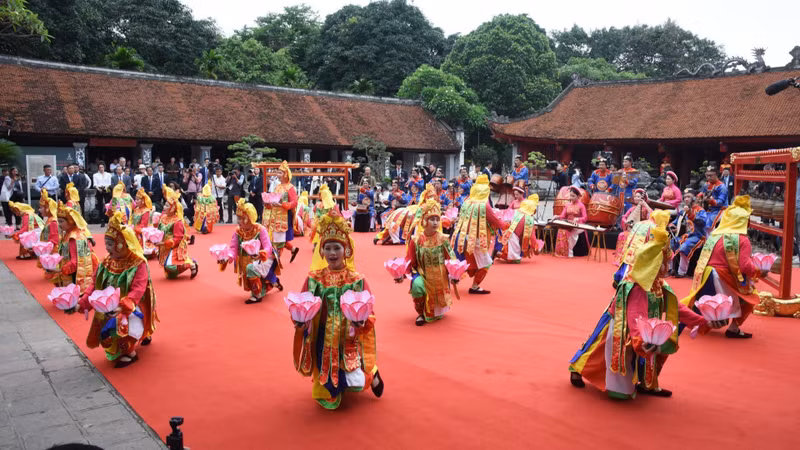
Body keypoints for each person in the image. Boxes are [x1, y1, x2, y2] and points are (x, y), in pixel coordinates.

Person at [569, 217, 725, 399]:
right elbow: (636, 315)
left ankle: (647, 382)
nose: (667, 266)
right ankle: (577, 368)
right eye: (664, 263)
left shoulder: (657, 283)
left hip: (643, 329)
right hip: (625, 325)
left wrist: (703, 321)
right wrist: (639, 339)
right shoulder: (637, 287)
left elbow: (676, 307)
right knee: (598, 350)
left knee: (647, 352)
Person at [292, 210, 384, 410]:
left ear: (346, 250)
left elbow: (370, 311)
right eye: (328, 248)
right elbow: (301, 305)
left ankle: (372, 373)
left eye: (337, 248)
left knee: (356, 383)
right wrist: (300, 321)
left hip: (348, 338)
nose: (332, 253)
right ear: (322, 251)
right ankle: (332, 386)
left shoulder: (357, 280)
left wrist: (362, 322)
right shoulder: (313, 278)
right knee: (328, 392)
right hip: (322, 338)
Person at [73, 211, 158, 368]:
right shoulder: (106, 261)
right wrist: (82, 303)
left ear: (123, 243)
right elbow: (95, 284)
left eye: (111, 244)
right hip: (111, 306)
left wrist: (123, 306)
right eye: (106, 243)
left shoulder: (138, 263)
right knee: (107, 332)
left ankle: (131, 352)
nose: (107, 248)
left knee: (122, 325)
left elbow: (137, 291)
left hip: (132, 306)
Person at [682, 196, 764, 339]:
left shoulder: (714, 236)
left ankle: (684, 322)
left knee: (701, 302)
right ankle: (734, 328)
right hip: (723, 275)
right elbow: (745, 265)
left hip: (706, 274)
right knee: (751, 298)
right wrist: (759, 272)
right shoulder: (742, 239)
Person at [395, 199, 458, 325]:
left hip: (440, 275)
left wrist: (454, 275)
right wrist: (401, 274)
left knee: (437, 310)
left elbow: (451, 258)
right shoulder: (416, 240)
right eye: (431, 219)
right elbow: (409, 260)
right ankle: (420, 314)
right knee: (417, 287)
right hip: (422, 273)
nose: (435, 222)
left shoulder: (443, 239)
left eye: (437, 219)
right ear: (424, 220)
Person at [450, 174, 509, 294]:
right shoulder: (484, 205)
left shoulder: (467, 201)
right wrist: (506, 225)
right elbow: (495, 221)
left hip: (462, 236)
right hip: (475, 238)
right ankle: (475, 286)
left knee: (464, 260)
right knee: (486, 263)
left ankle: (453, 278)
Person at [220, 199, 282, 304]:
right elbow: (233, 249)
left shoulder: (260, 229)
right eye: (238, 218)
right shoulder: (237, 232)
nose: (238, 221)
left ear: (249, 218)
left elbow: (268, 247)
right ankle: (273, 282)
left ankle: (257, 295)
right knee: (253, 273)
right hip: (248, 260)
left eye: (241, 218)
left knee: (251, 269)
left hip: (263, 258)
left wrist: (261, 254)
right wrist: (226, 258)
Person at [44, 201, 98, 295]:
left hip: (74, 273)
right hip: (71, 268)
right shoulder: (69, 234)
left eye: (61, 222)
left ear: (71, 221)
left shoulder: (73, 237)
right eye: (58, 221)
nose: (59, 224)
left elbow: (75, 262)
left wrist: (59, 270)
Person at [155, 186, 198, 279]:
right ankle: (186, 262)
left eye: (167, 205)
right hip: (164, 246)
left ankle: (191, 264)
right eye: (165, 205)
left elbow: (178, 238)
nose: (164, 207)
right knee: (170, 275)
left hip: (174, 246)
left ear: (172, 208)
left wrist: (163, 243)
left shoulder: (177, 221)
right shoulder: (163, 217)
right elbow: (158, 230)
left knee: (170, 266)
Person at [263, 161, 300, 263]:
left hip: (284, 216)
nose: (277, 175)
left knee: (279, 238)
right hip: (275, 215)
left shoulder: (290, 188)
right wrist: (268, 203)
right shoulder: (277, 186)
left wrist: (283, 205)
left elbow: (294, 202)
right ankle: (291, 250)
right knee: (276, 237)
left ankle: (276, 258)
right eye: (278, 172)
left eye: (280, 173)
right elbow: (273, 199)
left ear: (285, 174)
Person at [497, 194, 540, 264]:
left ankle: (500, 252)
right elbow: (532, 237)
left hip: (503, 231)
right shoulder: (529, 219)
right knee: (516, 259)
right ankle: (508, 256)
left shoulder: (515, 212)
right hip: (511, 237)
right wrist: (536, 249)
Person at [614, 189, 652, 264]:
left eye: (638, 197)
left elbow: (653, 215)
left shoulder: (645, 209)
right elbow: (624, 217)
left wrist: (645, 204)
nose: (636, 198)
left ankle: (633, 260)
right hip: (632, 229)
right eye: (635, 197)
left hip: (641, 232)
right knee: (622, 235)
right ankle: (620, 259)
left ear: (643, 198)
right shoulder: (632, 209)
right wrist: (626, 222)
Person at [554, 186, 589, 258]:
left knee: (568, 233)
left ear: (578, 196)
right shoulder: (567, 205)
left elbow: (585, 218)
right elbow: (563, 216)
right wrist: (557, 216)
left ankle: (569, 252)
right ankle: (561, 252)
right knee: (561, 230)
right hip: (569, 223)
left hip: (578, 225)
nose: (571, 198)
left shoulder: (581, 205)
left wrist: (578, 219)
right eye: (570, 196)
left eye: (573, 196)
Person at [699, 166, 728, 230]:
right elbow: (702, 192)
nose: (708, 177)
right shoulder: (707, 184)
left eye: (711, 175)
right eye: (707, 175)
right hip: (708, 209)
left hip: (719, 209)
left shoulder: (722, 187)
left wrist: (711, 201)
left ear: (716, 175)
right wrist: (699, 196)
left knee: (708, 222)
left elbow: (720, 202)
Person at [131, 188, 156, 258]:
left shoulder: (146, 211)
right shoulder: (136, 209)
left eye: (137, 200)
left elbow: (143, 224)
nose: (135, 201)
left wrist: (134, 229)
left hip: (143, 230)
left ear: (142, 201)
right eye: (135, 199)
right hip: (136, 228)